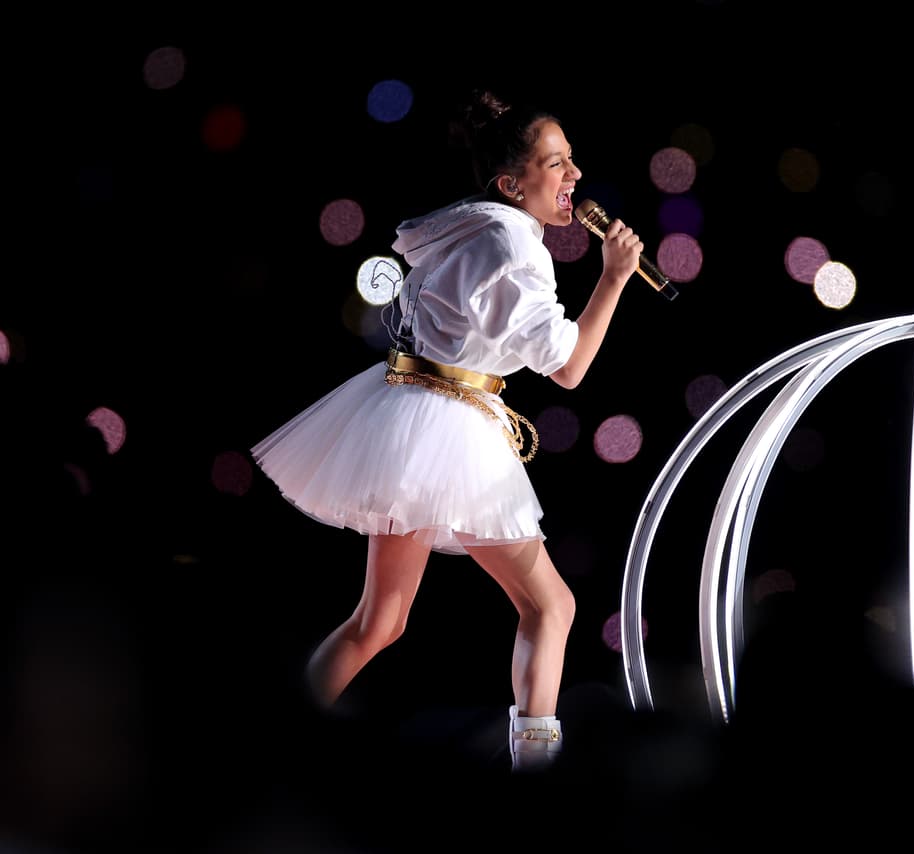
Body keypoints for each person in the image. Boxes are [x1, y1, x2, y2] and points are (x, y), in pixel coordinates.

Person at [250, 88, 644, 772]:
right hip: (447, 432)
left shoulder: (465, 228)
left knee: (380, 622)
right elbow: (571, 368)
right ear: (512, 183)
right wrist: (612, 279)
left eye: (572, 161)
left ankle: (276, 742)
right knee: (551, 605)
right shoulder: (516, 247)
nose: (575, 177)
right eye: (557, 164)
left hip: (407, 415)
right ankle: (538, 773)